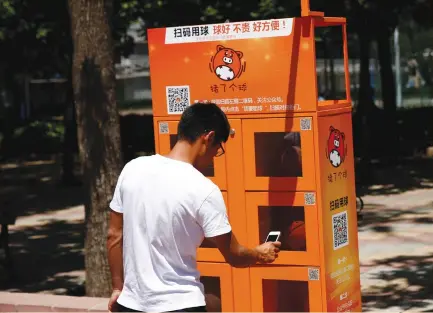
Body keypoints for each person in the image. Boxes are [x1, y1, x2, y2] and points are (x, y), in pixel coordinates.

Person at [107, 102, 281, 313]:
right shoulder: (203, 189)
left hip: (131, 305)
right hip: (181, 304)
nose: (213, 158)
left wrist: (118, 287)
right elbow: (234, 255)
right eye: (218, 149)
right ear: (207, 138)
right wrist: (259, 253)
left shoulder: (132, 169)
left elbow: (114, 234)